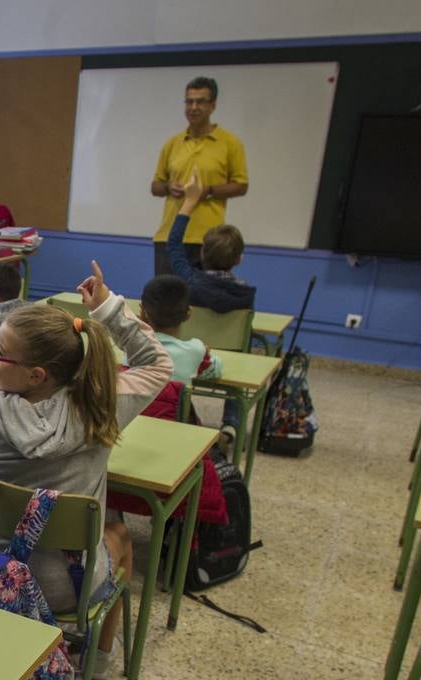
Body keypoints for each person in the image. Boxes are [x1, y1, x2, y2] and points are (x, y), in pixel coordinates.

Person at [0, 261, 172, 678]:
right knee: (119, 533)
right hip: (69, 585)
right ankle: (97, 661)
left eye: (1, 353)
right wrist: (109, 309)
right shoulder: (99, 407)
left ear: (36, 374)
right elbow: (157, 364)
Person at [168, 169, 253, 449]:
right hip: (229, 359)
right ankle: (230, 426)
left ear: (202, 254)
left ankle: (185, 418)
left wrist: (188, 205)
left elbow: (173, 246)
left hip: (192, 355)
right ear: (239, 259)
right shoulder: (245, 295)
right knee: (241, 379)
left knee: (177, 373)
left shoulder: (189, 281)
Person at [150, 76, 248, 276]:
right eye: (189, 101)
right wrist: (169, 187)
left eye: (200, 101)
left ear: (213, 106)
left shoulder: (230, 143)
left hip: (209, 240)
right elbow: (155, 186)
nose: (193, 107)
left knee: (202, 302)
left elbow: (241, 185)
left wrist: (208, 191)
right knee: (164, 301)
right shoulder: (173, 143)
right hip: (170, 236)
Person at [138, 273, 223, 388]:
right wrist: (204, 355)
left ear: (143, 312)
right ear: (188, 314)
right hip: (174, 406)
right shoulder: (195, 350)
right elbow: (216, 369)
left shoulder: (133, 348)